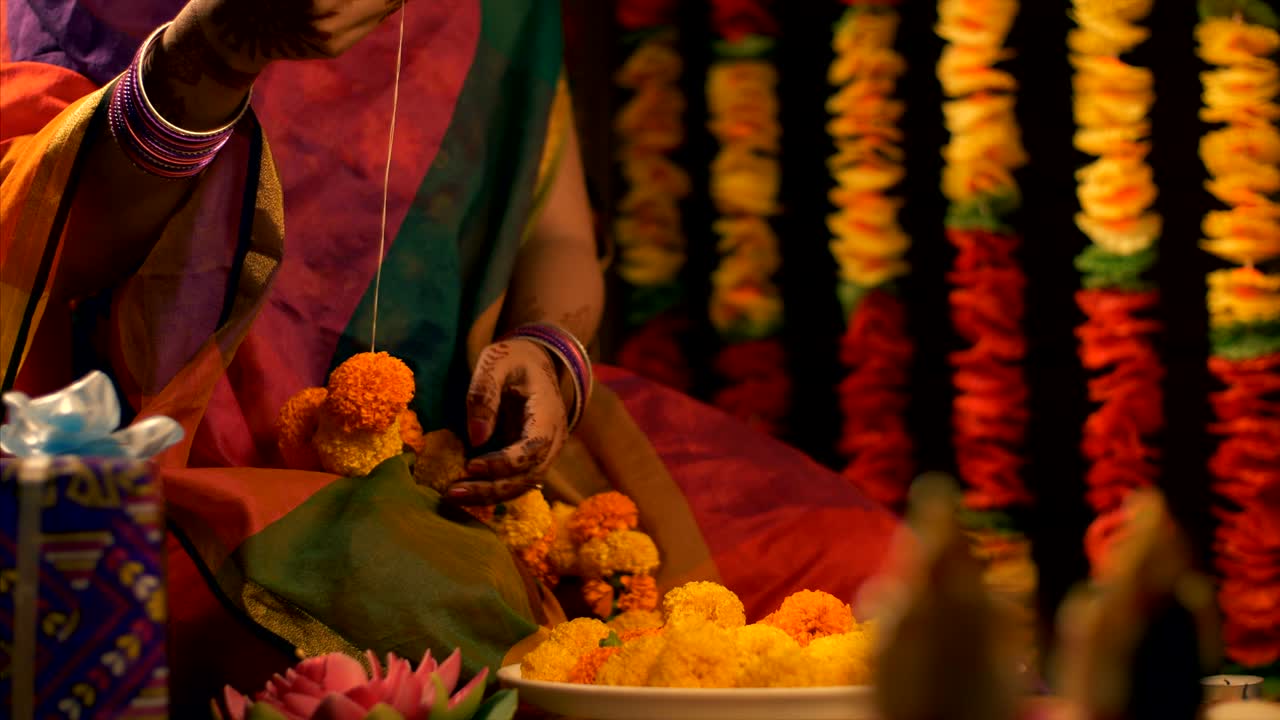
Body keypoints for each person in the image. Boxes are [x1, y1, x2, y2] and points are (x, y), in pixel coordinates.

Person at [1, 0, 899, 711]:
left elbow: (557, 237)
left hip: (460, 434)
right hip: (156, 439)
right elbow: (48, 250)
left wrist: (549, 353)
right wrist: (212, 51)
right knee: (434, 623)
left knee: (869, 573)